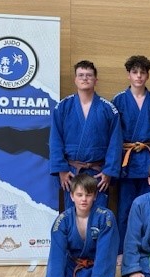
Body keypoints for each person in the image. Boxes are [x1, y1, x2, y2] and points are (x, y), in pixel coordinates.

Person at [44, 174, 119, 277]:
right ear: (72, 196)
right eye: (79, 195)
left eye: (88, 195)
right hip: (71, 268)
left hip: (94, 269)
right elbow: (56, 255)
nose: (84, 199)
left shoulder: (105, 217)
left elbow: (105, 254)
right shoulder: (62, 220)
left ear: (95, 196)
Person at [50, 60, 123, 209]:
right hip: (72, 172)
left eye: (89, 75)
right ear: (75, 79)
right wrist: (61, 169)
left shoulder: (108, 109)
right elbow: (55, 140)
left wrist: (108, 171)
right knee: (73, 213)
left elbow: (115, 143)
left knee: (99, 214)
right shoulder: (63, 107)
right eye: (81, 75)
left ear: (96, 80)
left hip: (98, 173)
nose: (85, 78)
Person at [112, 55, 150, 259]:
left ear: (148, 75)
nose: (139, 76)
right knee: (125, 208)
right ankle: (123, 250)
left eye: (143, 72)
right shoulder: (118, 100)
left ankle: (147, 249)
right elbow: (113, 135)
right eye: (135, 72)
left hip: (149, 159)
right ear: (128, 75)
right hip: (127, 161)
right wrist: (114, 163)